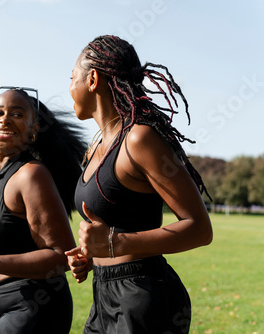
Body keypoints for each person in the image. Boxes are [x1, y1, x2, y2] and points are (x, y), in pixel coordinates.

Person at [65, 35, 213, 334]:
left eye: (72, 78)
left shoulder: (139, 139)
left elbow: (199, 228)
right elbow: (115, 223)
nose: (70, 88)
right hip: (103, 295)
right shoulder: (96, 146)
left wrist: (114, 243)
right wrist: (91, 255)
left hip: (143, 296)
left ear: (91, 79)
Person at [0, 86, 86, 334]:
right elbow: (11, 238)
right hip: (5, 304)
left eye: (17, 114)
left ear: (34, 129)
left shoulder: (31, 175)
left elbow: (61, 255)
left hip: (36, 306)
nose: (4, 119)